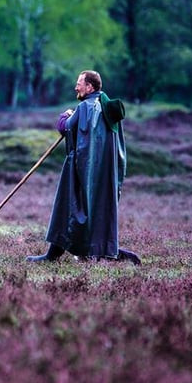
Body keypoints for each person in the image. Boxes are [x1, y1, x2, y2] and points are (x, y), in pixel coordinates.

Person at [27, 70, 141, 265]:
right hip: (103, 175)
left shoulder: (87, 107)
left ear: (90, 87)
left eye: (79, 83)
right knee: (96, 212)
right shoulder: (108, 108)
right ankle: (106, 252)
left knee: (67, 209)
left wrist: (65, 115)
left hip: (81, 171)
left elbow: (66, 127)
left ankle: (51, 257)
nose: (76, 87)